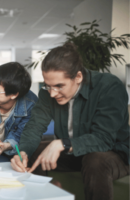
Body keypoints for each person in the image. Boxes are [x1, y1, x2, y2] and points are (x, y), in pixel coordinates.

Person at [11, 43, 129, 200]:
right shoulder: (47, 93)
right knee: (34, 152)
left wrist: (62, 144)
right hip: (74, 154)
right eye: (48, 86)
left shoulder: (109, 86)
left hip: (113, 154)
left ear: (78, 77)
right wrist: (23, 152)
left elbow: (104, 139)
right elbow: (35, 126)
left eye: (59, 86)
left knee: (94, 160)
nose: (52, 93)